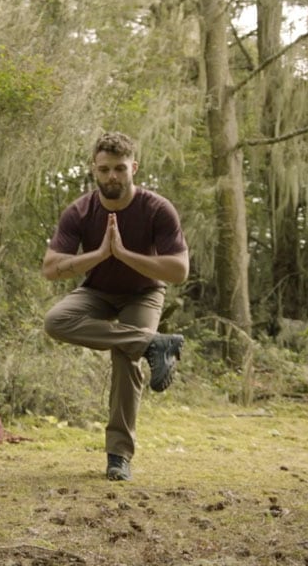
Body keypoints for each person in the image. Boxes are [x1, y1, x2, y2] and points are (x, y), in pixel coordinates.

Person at [41, 132, 189, 482]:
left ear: (133, 167)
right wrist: (100, 255)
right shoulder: (79, 211)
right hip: (97, 291)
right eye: (105, 169)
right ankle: (153, 343)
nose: (112, 177)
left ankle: (118, 456)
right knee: (56, 321)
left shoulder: (157, 209)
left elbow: (179, 271)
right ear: (94, 169)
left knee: (126, 359)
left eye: (120, 169)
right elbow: (50, 268)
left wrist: (124, 255)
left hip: (144, 294)